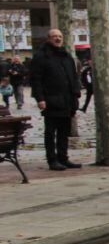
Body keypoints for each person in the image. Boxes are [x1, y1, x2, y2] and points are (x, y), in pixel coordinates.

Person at [30, 29, 81, 171]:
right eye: (54, 37)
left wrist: (76, 96)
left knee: (64, 131)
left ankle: (63, 158)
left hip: (67, 100)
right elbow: (36, 79)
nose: (57, 39)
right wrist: (40, 99)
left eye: (59, 36)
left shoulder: (66, 56)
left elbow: (74, 77)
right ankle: (52, 159)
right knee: (51, 132)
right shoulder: (41, 56)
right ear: (48, 39)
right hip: (50, 100)